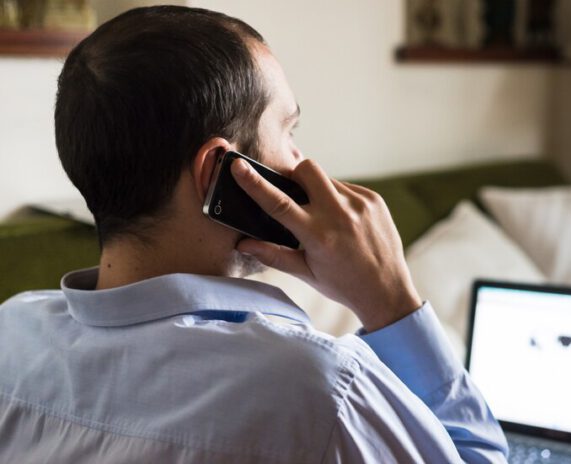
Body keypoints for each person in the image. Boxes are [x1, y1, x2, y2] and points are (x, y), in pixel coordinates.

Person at [0, 5, 508, 463]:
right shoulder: (321, 391)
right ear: (218, 171)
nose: (301, 164)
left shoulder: (11, 335)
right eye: (288, 131)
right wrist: (391, 302)